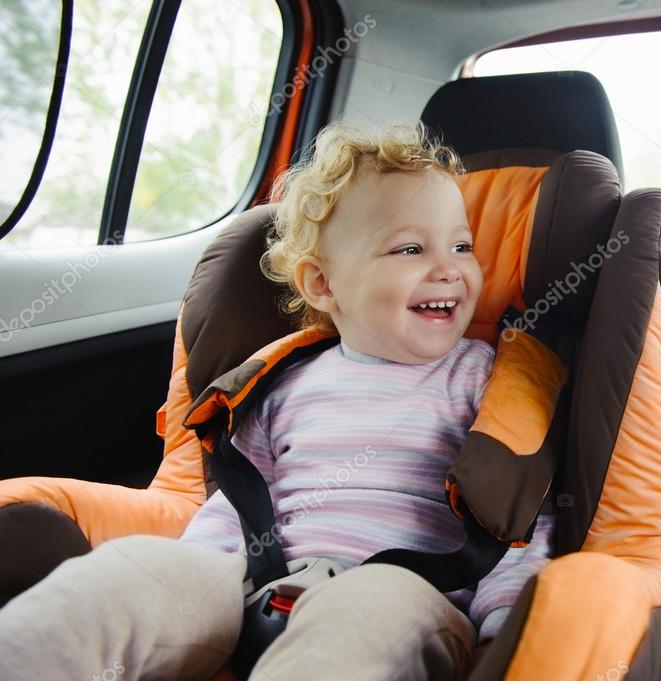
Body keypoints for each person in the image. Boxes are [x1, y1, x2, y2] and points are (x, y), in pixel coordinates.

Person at [0, 122, 556, 681]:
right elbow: (238, 500)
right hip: (260, 578)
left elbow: (514, 512)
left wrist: (506, 624)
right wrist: (190, 573)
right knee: (129, 572)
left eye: (462, 246)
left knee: (364, 616)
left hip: (412, 592)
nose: (449, 268)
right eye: (410, 248)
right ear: (323, 285)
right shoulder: (283, 379)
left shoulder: (487, 378)